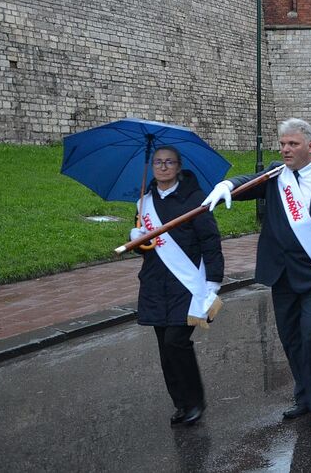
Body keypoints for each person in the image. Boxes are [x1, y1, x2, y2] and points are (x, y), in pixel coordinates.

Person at [202, 118, 311, 432]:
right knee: (292, 339)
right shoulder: (275, 175)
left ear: (310, 146)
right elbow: (247, 183)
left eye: (292, 144)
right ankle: (304, 396)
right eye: (282, 144)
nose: (285, 149)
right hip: (282, 274)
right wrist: (227, 185)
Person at [130, 146, 224, 427]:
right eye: (158, 162)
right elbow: (146, 248)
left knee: (176, 342)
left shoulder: (196, 201)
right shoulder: (143, 203)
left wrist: (213, 283)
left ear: (179, 166)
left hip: (188, 284)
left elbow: (211, 242)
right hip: (156, 284)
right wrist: (136, 238)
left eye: (169, 162)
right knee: (165, 349)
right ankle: (181, 404)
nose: (162, 167)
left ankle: (195, 401)